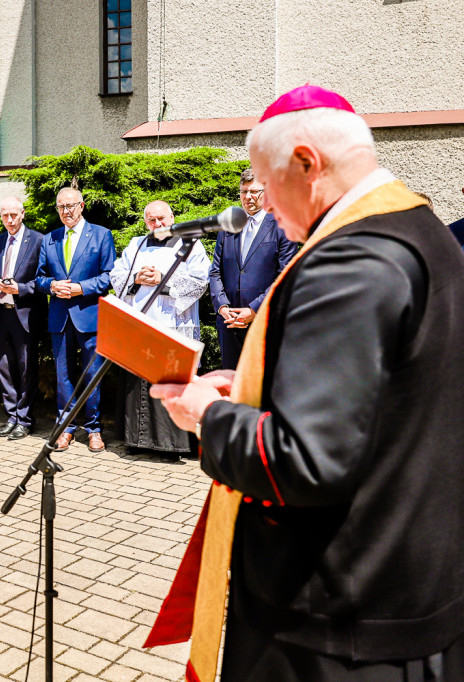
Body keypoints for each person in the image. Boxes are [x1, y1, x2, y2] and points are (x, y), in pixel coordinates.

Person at [148, 85, 464, 682]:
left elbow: (308, 459)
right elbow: (381, 401)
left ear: (305, 163)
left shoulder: (349, 262)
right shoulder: (418, 229)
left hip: (335, 623)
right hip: (407, 586)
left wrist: (205, 415)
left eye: (264, 184)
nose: (261, 202)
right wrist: (248, 386)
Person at [110, 200, 209, 457]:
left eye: (162, 218)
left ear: (172, 216)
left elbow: (200, 281)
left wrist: (162, 281)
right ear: (146, 222)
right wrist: (135, 278)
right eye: (152, 220)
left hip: (172, 325)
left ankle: (170, 445)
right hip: (141, 323)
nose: (158, 224)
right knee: (138, 381)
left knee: (169, 381)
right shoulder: (137, 244)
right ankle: (136, 440)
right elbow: (117, 275)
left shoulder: (190, 243)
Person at [35, 187, 115, 453]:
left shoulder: (102, 235)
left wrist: (81, 287)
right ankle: (66, 428)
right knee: (63, 376)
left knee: (92, 374)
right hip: (59, 317)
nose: (66, 212)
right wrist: (52, 285)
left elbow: (109, 276)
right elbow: (39, 278)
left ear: (82, 206)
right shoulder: (50, 239)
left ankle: (93, 429)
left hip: (90, 315)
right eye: (61, 207)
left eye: (70, 206)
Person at [209, 168, 298, 369]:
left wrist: (253, 310)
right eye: (243, 192)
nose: (248, 197)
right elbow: (215, 271)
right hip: (229, 324)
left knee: (262, 387)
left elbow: (285, 276)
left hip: (265, 322)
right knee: (232, 385)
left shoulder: (282, 226)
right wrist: (223, 307)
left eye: (254, 192)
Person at [0, 196, 46, 440]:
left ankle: (26, 419)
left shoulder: (39, 241)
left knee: (25, 369)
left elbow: (43, 280)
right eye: (4, 216)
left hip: (26, 315)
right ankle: (11, 417)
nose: (9, 220)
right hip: (2, 313)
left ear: (23, 214)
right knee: (5, 369)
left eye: (13, 215)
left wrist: (19, 288)